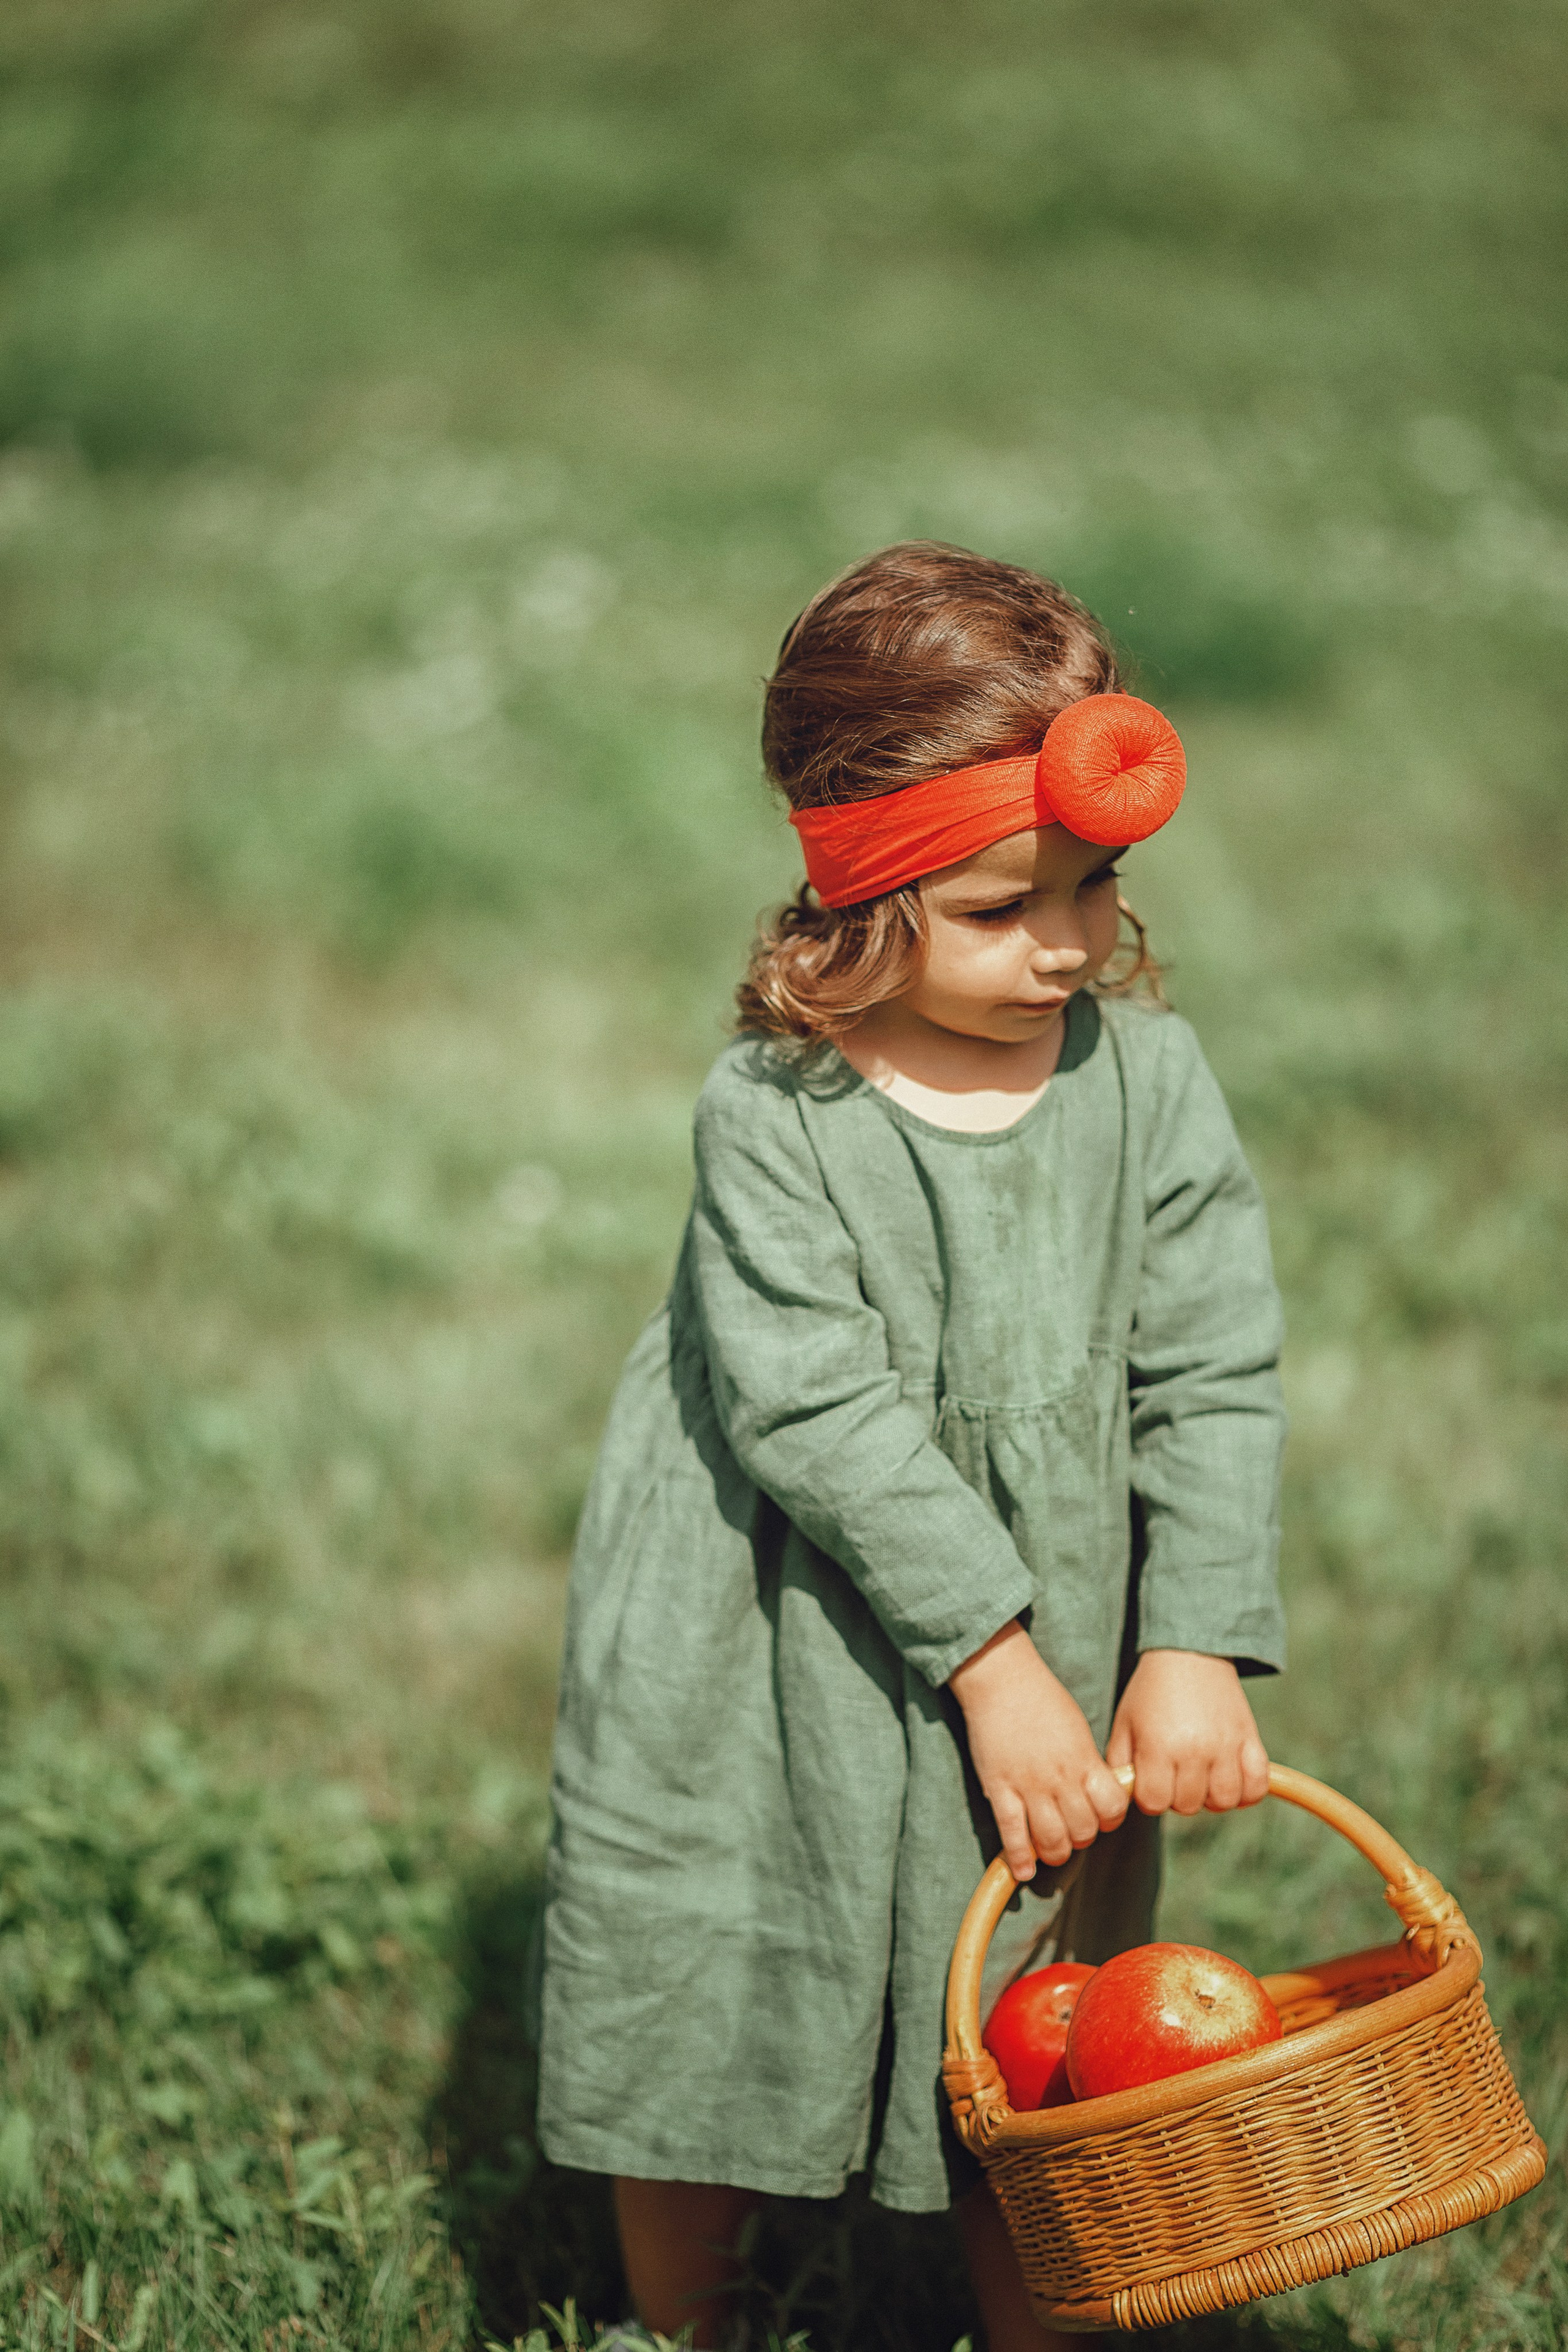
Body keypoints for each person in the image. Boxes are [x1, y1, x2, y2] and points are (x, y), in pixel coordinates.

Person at [537, 542, 1286, 2351]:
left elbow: (1213, 1362)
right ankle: (687, 2322)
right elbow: (813, 1407)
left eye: (1097, 889)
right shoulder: (777, 1113)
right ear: (859, 900)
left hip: (1068, 1624)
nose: (1067, 946)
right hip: (770, 1616)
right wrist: (990, 1654)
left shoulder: (1148, 1085)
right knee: (711, 1954)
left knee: (1036, 2011)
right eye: (1001, 906)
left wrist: (1188, 1635)